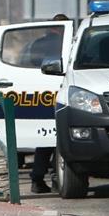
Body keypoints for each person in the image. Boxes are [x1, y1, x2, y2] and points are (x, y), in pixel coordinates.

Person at [29, 13, 69, 194]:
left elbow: (30, 64)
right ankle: (55, 177)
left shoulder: (38, 44)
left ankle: (38, 179)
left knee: (44, 138)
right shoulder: (67, 43)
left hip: (41, 94)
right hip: (61, 93)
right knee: (59, 137)